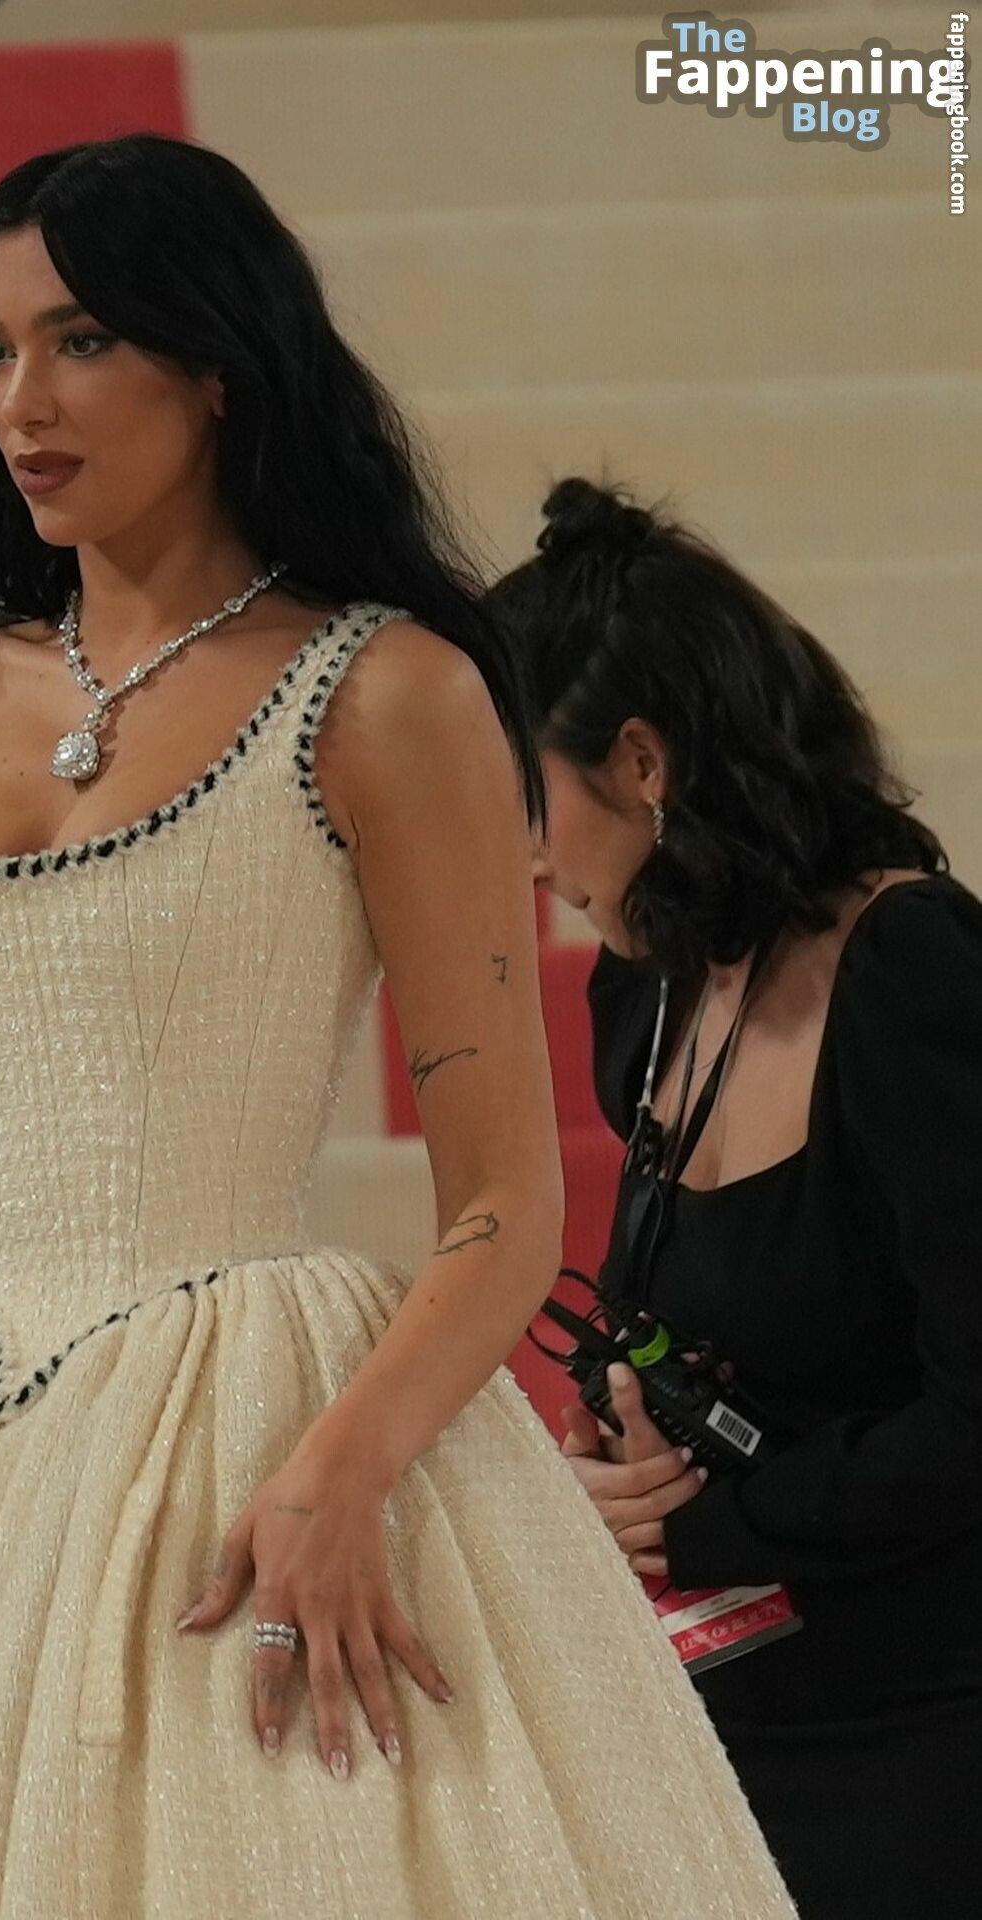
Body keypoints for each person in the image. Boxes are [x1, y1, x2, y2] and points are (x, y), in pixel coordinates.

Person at [0, 137, 796, 1916]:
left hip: (250, 1419)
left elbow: (500, 1206)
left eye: (82, 340)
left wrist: (341, 1471)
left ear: (219, 365)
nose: (23, 400)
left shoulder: (390, 693)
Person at [499, 476, 982, 1917]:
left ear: (642, 763)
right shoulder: (646, 984)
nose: (523, 854)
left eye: (528, 796)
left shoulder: (912, 971)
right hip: (726, 1702)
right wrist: (613, 1466)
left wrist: (708, 1524)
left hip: (928, 1718)